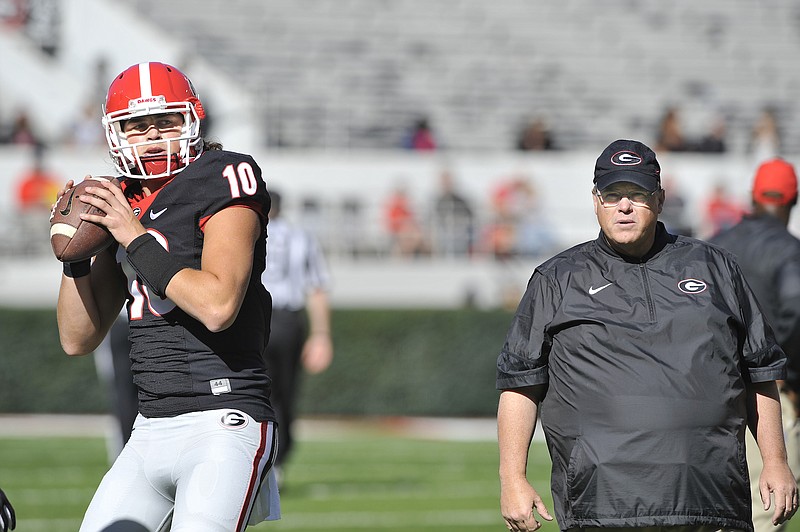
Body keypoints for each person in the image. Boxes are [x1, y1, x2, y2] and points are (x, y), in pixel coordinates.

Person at [496, 139, 798, 532]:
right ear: (595, 200)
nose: (624, 205)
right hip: (600, 507)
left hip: (711, 503)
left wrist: (775, 461)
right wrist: (512, 479)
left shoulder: (717, 267)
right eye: (613, 194)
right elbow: (520, 384)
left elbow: (759, 370)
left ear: (659, 199)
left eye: (637, 194)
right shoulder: (557, 279)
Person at [53, 62, 280, 531]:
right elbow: (78, 339)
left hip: (224, 419)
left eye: (166, 122)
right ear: (116, 135)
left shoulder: (224, 174)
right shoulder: (123, 199)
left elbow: (218, 307)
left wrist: (133, 236)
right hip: (149, 425)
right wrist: (74, 256)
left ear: (193, 120)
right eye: (136, 127)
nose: (152, 136)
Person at [709, 158, 800, 532]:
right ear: (792, 201)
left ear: (752, 196)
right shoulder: (790, 251)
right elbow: (795, 310)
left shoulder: (712, 246)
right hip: (769, 396)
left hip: (712, 394)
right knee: (765, 514)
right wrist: (790, 375)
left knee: (714, 513)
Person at [260, 189, 333, 476]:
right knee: (285, 394)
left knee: (258, 390)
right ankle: (278, 460)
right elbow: (317, 288)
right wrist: (321, 334)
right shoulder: (300, 237)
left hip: (257, 318)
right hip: (288, 320)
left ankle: (264, 458)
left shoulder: (246, 228)